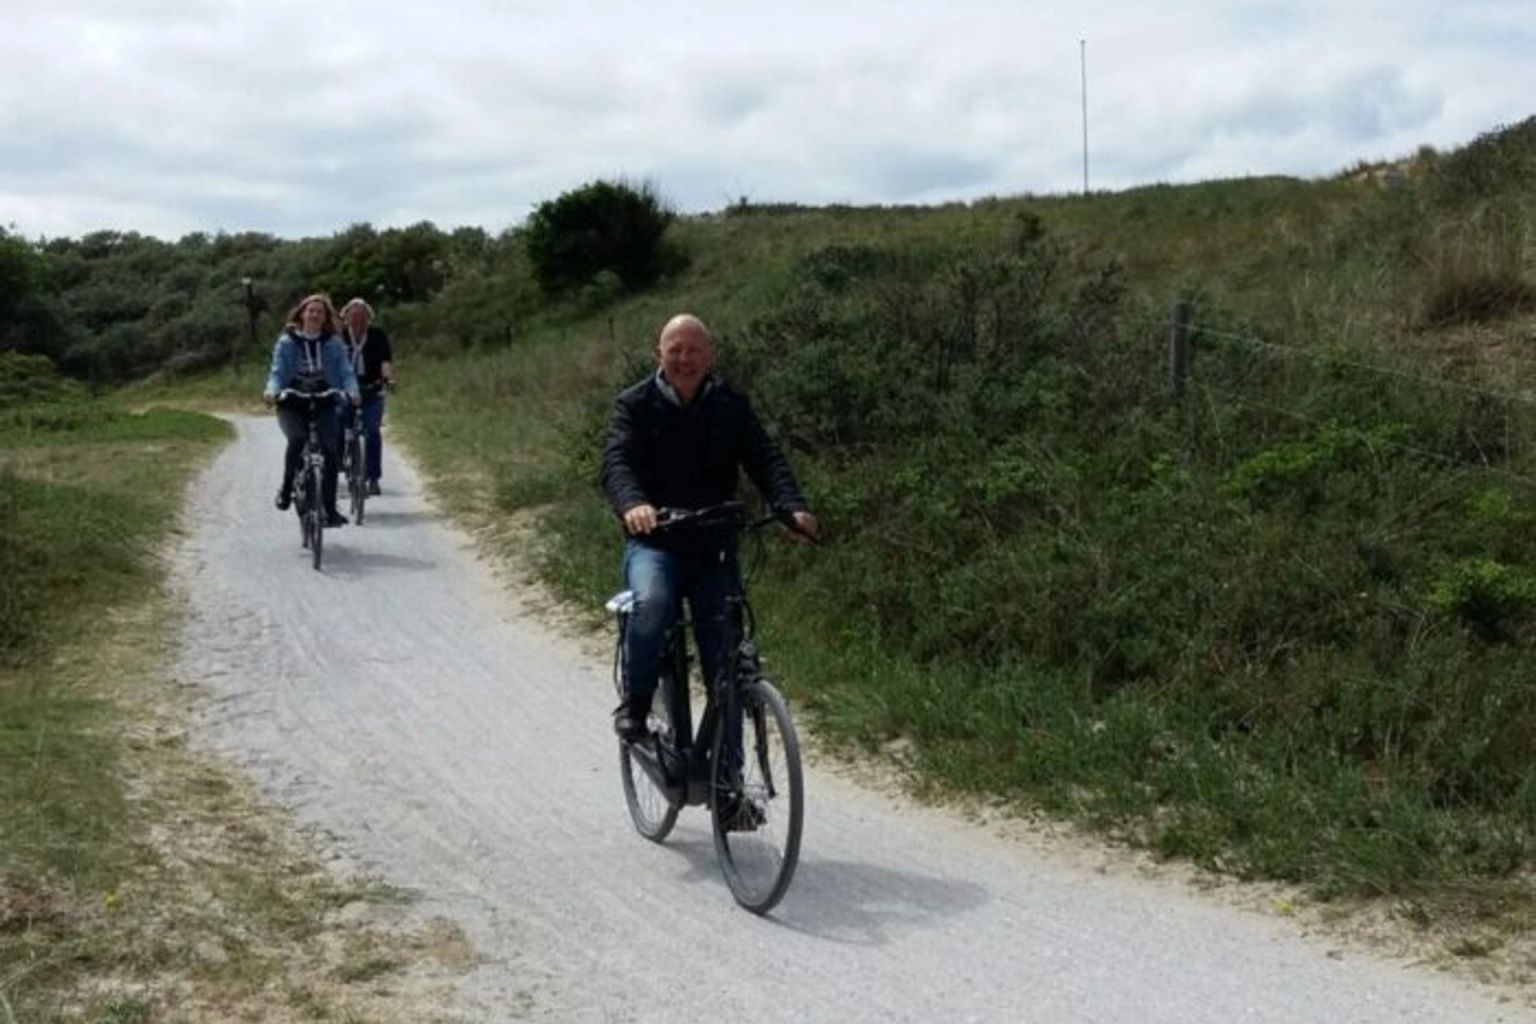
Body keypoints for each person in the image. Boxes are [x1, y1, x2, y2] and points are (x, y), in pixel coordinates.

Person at [600, 313, 818, 746]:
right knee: (654, 602)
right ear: (658, 354)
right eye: (676, 349)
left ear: (710, 356)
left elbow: (765, 458)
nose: (685, 358)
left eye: (695, 350)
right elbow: (617, 463)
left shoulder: (729, 404)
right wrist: (634, 504)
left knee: (727, 667)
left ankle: (730, 791)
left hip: (714, 545)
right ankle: (638, 701)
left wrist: (791, 506)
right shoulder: (634, 405)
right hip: (655, 542)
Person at [262, 293, 360, 527]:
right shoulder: (287, 342)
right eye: (311, 310)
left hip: (324, 398)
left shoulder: (333, 342)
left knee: (330, 450)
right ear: (302, 314)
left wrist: (352, 391)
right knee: (297, 439)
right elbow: (277, 371)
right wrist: (272, 391)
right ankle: (286, 489)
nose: (315, 315)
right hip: (293, 400)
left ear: (325, 317)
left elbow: (345, 370)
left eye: (320, 311)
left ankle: (329, 508)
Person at [337, 297, 396, 495]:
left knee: (372, 430)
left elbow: (385, 361)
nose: (358, 321)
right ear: (346, 319)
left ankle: (372, 478)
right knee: (337, 423)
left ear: (368, 319)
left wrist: (388, 380)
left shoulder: (378, 335)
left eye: (362, 317)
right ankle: (338, 461)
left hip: (371, 389)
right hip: (346, 390)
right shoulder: (339, 337)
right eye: (354, 317)